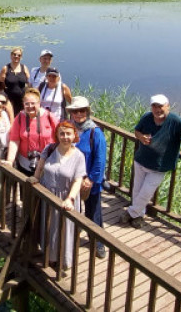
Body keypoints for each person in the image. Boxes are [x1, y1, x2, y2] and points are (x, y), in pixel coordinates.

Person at [126, 94, 181, 228]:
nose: (157, 109)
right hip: (141, 161)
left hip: (159, 166)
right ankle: (138, 217)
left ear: (168, 106)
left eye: (160, 106)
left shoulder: (177, 122)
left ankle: (131, 213)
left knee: (145, 193)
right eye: (154, 106)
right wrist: (141, 137)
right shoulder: (147, 117)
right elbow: (137, 131)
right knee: (137, 191)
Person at [32, 121, 86, 272]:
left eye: (68, 133)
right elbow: (41, 166)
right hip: (47, 195)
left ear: (74, 135)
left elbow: (78, 180)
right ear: (57, 135)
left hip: (65, 199)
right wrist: (35, 179)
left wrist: (70, 199)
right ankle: (49, 255)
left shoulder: (79, 156)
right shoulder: (49, 149)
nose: (65, 137)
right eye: (62, 133)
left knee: (64, 230)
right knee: (47, 227)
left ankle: (63, 260)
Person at [67, 96, 108, 259]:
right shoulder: (69, 127)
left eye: (82, 110)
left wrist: (91, 179)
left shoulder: (95, 132)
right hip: (71, 179)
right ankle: (71, 237)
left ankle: (98, 243)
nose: (78, 114)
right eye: (75, 111)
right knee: (73, 209)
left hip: (89, 181)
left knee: (93, 213)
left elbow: (100, 160)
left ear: (87, 112)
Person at [5, 88, 57, 176]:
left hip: (47, 163)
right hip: (25, 163)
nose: (30, 106)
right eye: (27, 104)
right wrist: (10, 160)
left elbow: (59, 137)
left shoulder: (49, 116)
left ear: (39, 103)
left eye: (33, 103)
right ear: (23, 104)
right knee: (24, 188)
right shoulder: (20, 117)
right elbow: (14, 140)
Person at [0, 47, 30, 115]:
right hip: (9, 100)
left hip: (22, 101)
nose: (16, 56)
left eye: (19, 55)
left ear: (21, 57)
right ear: (11, 55)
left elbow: (29, 83)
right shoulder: (5, 68)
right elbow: (0, 84)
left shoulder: (24, 68)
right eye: (14, 54)